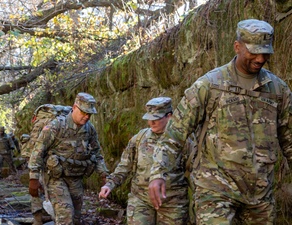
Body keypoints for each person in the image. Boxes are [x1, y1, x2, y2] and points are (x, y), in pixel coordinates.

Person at [148, 19, 292, 224]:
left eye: (265, 52)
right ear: (237, 46)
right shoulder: (209, 85)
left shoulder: (278, 90)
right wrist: (158, 173)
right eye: (253, 52)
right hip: (215, 192)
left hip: (259, 195)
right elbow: (175, 134)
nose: (260, 58)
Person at [99, 97, 188, 225]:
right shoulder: (139, 138)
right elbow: (125, 165)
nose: (151, 123)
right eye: (149, 119)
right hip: (141, 200)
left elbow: (195, 170)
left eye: (156, 118)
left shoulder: (183, 140)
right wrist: (109, 184)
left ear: (169, 116)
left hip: (172, 202)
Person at [28, 92, 109, 225]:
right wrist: (33, 178)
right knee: (65, 216)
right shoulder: (55, 126)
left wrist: (104, 175)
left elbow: (97, 154)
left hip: (76, 178)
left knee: (76, 219)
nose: (87, 116)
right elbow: (38, 152)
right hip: (56, 178)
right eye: (83, 112)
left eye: (89, 114)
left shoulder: (89, 130)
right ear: (74, 107)